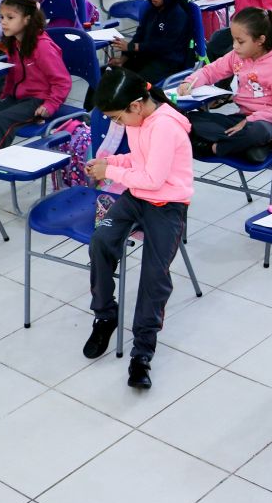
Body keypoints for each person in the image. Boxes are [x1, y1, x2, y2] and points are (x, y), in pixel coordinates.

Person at [82, 68, 193, 390]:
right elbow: (139, 158)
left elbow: (154, 179)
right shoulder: (138, 119)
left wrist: (110, 172)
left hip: (168, 204)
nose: (118, 124)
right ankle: (105, 315)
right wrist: (112, 164)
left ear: (135, 105)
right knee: (101, 241)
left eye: (117, 118)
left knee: (154, 276)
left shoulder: (165, 126)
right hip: (137, 197)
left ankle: (142, 352)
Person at [177, 6, 272, 159]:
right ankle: (247, 147)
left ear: (260, 40)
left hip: (269, 123)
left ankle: (216, 148)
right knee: (186, 119)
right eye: (234, 40)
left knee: (256, 132)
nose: (235, 46)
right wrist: (189, 82)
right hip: (242, 118)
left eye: (240, 41)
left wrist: (250, 120)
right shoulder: (236, 56)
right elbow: (211, 71)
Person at [0, 0, 71, 151]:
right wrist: (6, 96)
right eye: (2, 17)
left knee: (2, 119)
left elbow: (63, 81)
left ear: (27, 19)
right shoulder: (14, 43)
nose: (3, 22)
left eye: (10, 18)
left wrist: (50, 105)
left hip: (39, 100)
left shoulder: (42, 47)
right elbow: (13, 74)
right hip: (19, 97)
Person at [105, 0, 192, 88]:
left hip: (167, 63)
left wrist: (131, 46)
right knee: (108, 74)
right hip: (147, 57)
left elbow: (164, 46)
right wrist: (123, 59)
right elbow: (139, 35)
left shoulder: (178, 15)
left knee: (131, 85)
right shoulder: (151, 10)